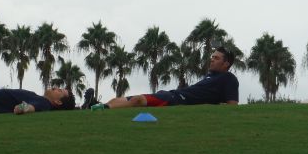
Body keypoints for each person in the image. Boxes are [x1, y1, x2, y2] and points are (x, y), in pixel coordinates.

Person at [92, 47, 239, 110]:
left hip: (178, 100)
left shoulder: (229, 78)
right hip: (173, 94)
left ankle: (103, 109)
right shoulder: (210, 76)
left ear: (226, 63)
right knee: (128, 99)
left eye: (216, 58)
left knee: (138, 100)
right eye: (212, 57)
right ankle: (102, 106)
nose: (212, 60)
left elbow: (232, 106)